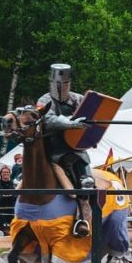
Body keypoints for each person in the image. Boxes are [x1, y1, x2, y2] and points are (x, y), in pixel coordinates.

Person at [36, 63, 94, 236]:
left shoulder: (77, 99)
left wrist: (92, 129)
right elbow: (49, 120)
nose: (61, 87)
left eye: (64, 83)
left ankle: (82, 219)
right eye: (57, 84)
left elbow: (91, 116)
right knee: (28, 174)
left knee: (86, 183)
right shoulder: (44, 101)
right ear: (52, 83)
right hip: (51, 149)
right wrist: (71, 123)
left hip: (75, 150)